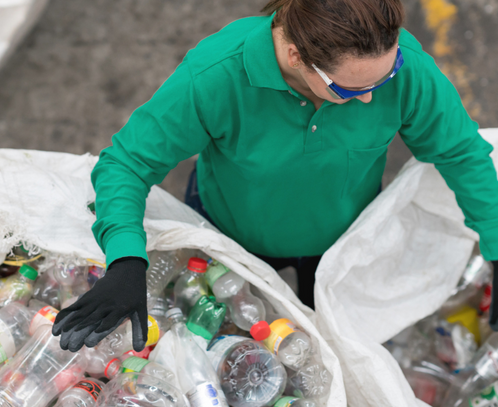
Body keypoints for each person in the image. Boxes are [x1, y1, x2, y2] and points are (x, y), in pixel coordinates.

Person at [52, 0, 498, 353]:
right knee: (233, 342)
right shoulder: (216, 74)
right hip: (229, 235)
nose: (368, 101)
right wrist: (127, 260)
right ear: (295, 54)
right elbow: (126, 163)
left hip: (341, 244)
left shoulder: (401, 68)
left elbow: (461, 152)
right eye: (349, 90)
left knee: (320, 342)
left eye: (384, 79)